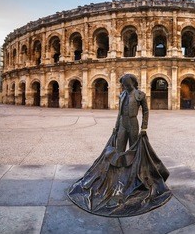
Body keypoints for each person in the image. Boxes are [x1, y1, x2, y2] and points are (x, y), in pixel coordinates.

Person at [68, 74, 171, 217]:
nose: (123, 85)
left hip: (133, 123)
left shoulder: (139, 95)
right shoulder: (122, 94)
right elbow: (119, 113)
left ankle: (134, 175)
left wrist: (144, 127)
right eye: (123, 84)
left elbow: (146, 111)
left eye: (125, 83)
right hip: (123, 123)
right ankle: (117, 177)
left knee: (134, 150)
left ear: (131, 83)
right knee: (118, 150)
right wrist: (116, 127)